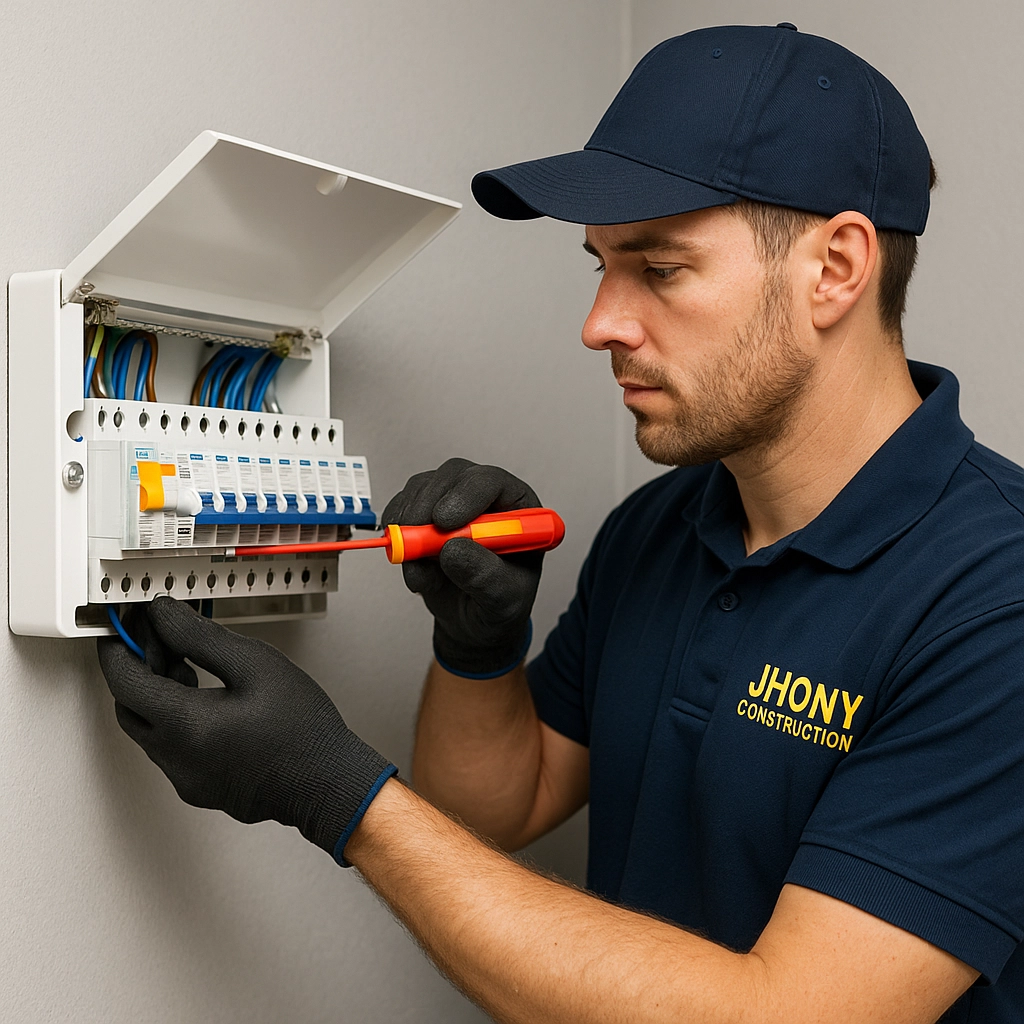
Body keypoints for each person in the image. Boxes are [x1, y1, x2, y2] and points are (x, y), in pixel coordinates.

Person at [99, 24, 1024, 1024]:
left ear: (835, 268)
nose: (600, 325)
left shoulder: (994, 600)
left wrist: (339, 795)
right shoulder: (659, 526)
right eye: (600, 268)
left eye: (659, 269)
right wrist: (479, 649)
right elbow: (495, 807)